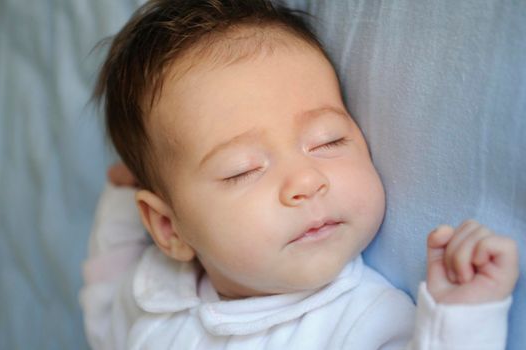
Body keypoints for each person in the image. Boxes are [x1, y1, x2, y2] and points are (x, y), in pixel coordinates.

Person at [80, 0, 519, 349]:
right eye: (243, 170)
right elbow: (104, 316)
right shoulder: (155, 298)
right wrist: (120, 205)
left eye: (327, 141)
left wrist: (461, 318)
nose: (306, 182)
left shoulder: (364, 322)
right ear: (166, 226)